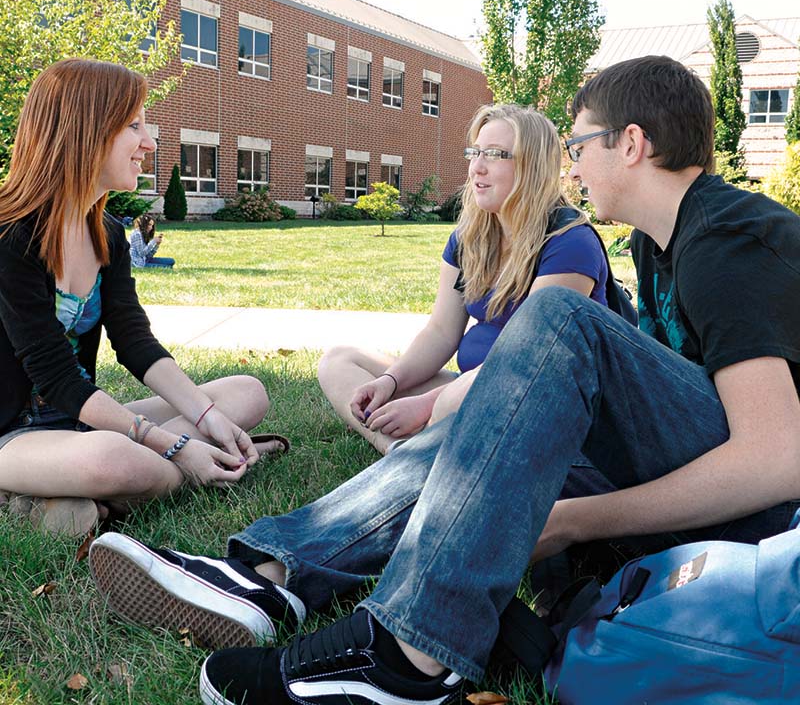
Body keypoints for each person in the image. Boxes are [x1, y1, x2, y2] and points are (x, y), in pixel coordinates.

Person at [90, 55, 800, 705]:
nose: (574, 168)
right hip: (705, 470)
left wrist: (577, 519)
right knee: (487, 418)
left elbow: (776, 461)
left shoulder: (727, 240)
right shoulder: (658, 244)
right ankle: (267, 578)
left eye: (579, 147)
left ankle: (409, 659)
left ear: (632, 143)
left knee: (560, 318)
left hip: (766, 515)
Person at [0, 58, 283, 537]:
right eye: (134, 125)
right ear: (84, 130)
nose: (149, 143)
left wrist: (206, 419)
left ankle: (75, 498)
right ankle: (172, 473)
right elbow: (55, 375)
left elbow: (135, 343)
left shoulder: (108, 235)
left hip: (79, 422)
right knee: (115, 458)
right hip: (13, 434)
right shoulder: (10, 236)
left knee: (244, 393)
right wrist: (175, 447)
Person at [318, 104, 609, 454]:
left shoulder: (569, 242)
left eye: (496, 155)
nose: (477, 167)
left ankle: (422, 453)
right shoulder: (470, 237)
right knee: (340, 359)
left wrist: (427, 404)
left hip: (537, 399)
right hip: (466, 388)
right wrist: (389, 382)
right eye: (476, 152)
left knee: (446, 406)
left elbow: (530, 360)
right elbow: (441, 332)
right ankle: (397, 452)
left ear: (533, 166)